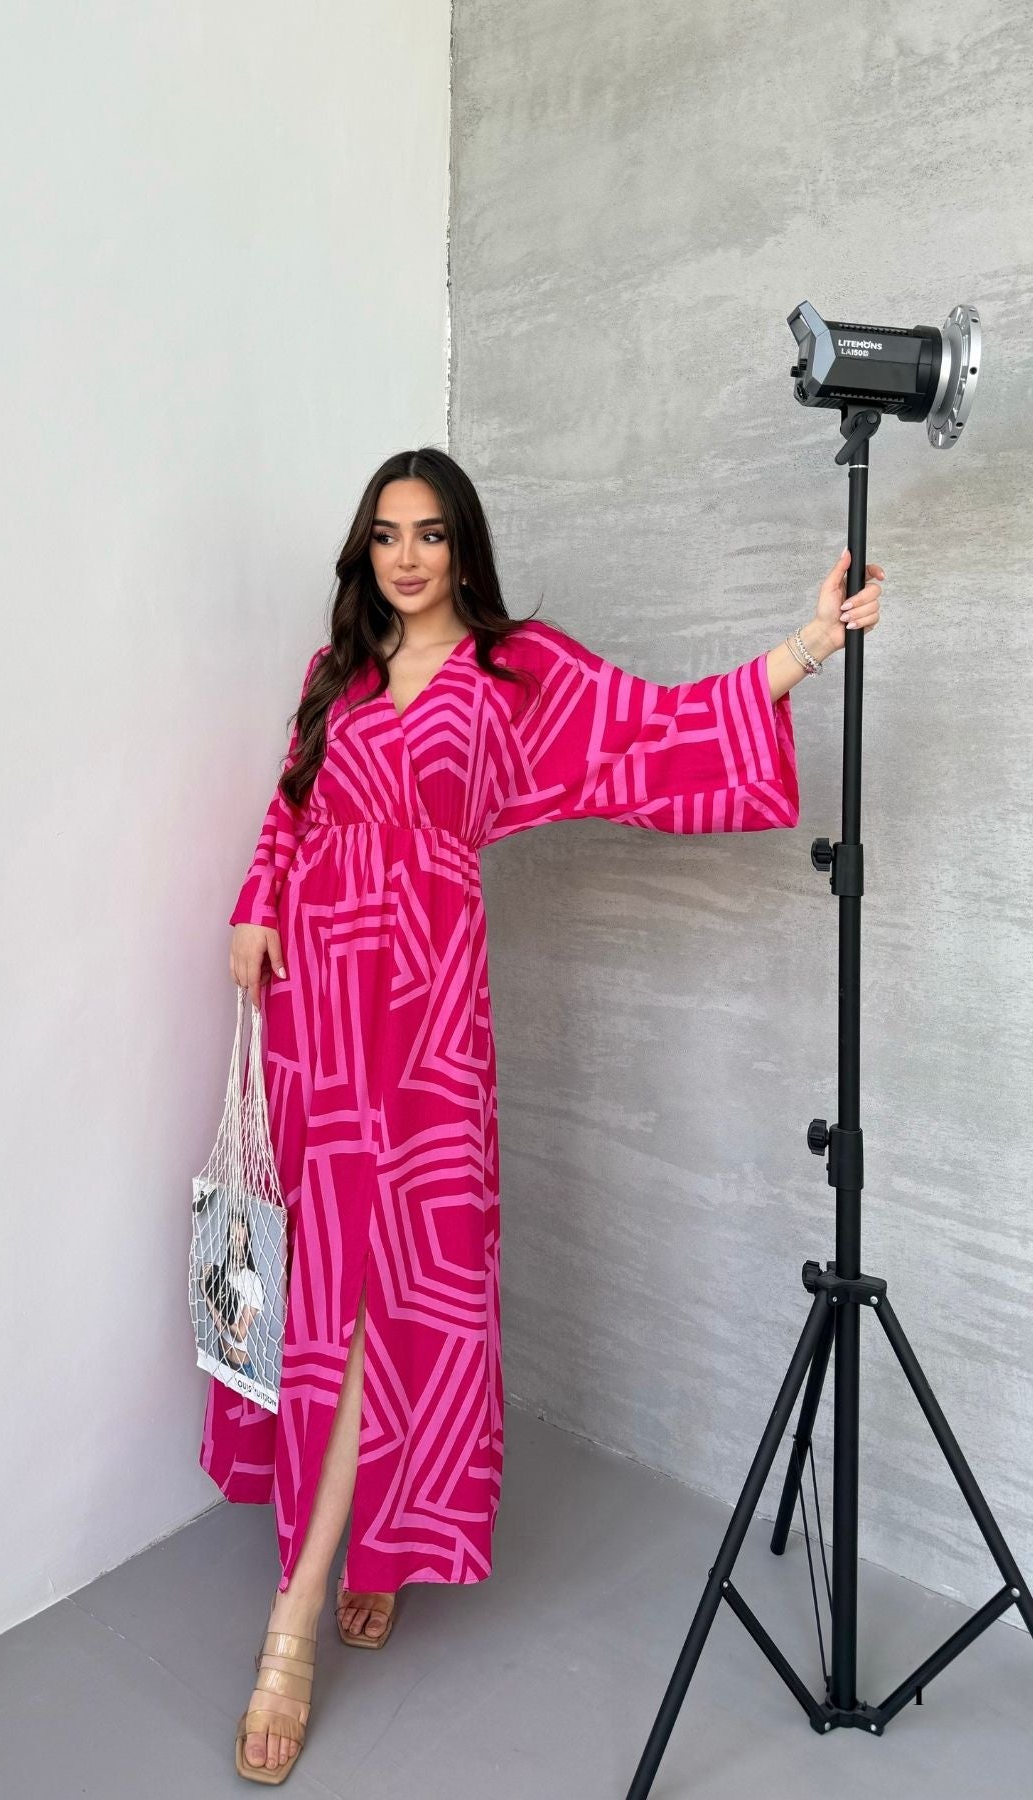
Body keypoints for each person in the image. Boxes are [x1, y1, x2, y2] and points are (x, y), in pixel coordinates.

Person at [210, 447, 882, 1780]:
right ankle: (343, 1559)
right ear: (367, 551)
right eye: (388, 535)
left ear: (464, 547)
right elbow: (291, 807)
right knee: (329, 1292)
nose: (408, 558)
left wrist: (803, 649)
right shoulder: (335, 674)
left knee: (407, 1288)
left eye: (431, 534)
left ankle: (302, 1613)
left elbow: (655, 732)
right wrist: (251, 906)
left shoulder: (516, 673)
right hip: (316, 1021)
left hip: (427, 1022)